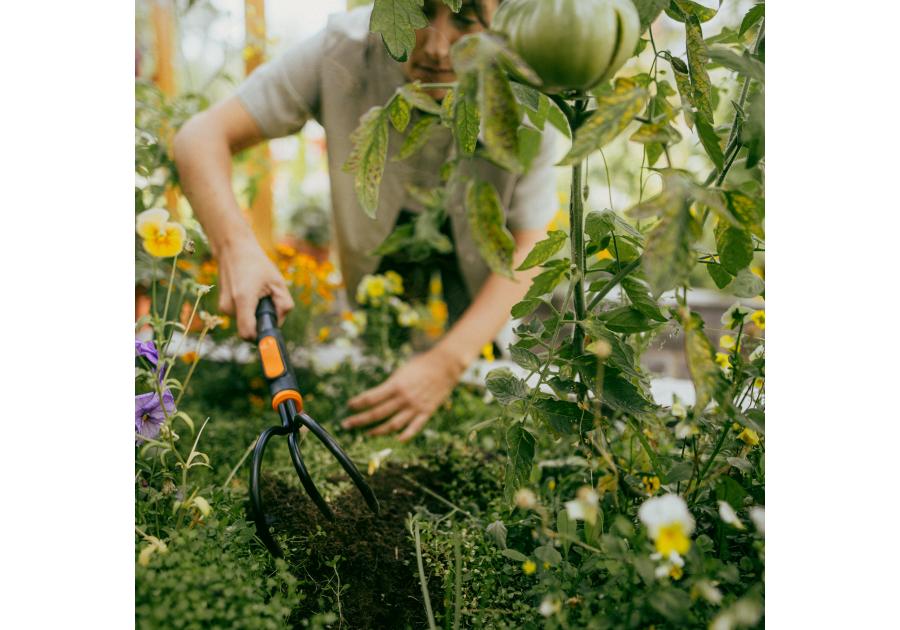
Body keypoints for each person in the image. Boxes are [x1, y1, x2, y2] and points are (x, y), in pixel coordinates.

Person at [173, 0, 558, 442]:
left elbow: (529, 242)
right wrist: (236, 248)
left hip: (485, 289)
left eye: (466, 17)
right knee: (377, 362)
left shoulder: (530, 81)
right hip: (375, 268)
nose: (435, 47)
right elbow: (198, 138)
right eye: (418, 11)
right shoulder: (343, 50)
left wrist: (447, 363)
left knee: (481, 409)